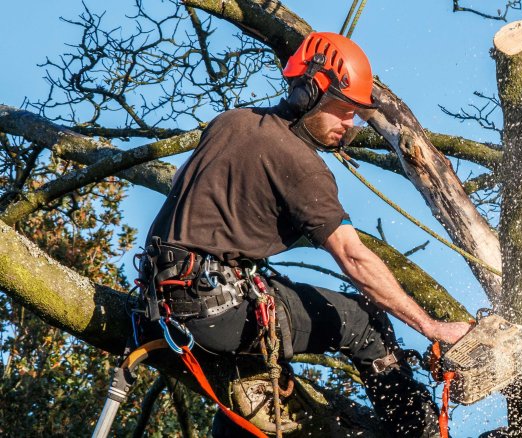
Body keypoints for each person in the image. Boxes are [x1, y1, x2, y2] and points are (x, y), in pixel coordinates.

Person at [141, 32, 470, 437]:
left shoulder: (230, 122)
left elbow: (190, 187)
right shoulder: (301, 164)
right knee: (364, 321)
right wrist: (431, 327)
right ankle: (419, 432)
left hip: (160, 302)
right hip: (215, 311)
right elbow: (352, 256)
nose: (349, 125)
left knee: (258, 383)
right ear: (309, 93)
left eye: (355, 116)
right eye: (343, 111)